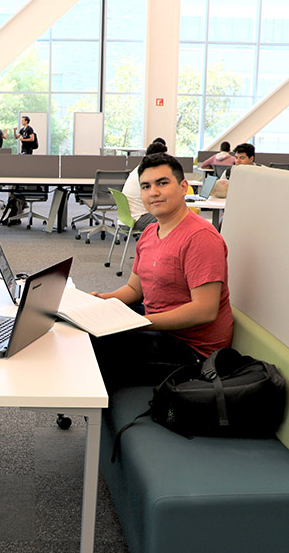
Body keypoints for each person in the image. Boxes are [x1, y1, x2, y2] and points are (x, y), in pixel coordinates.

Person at [89, 153, 233, 391]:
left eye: (162, 183)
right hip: (160, 325)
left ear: (183, 186)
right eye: (146, 186)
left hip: (193, 351)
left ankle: (100, 420)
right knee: (90, 329)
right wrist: (100, 301)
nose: (153, 192)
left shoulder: (201, 238)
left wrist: (139, 323)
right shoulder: (149, 232)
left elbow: (205, 310)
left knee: (101, 346)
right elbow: (135, 289)